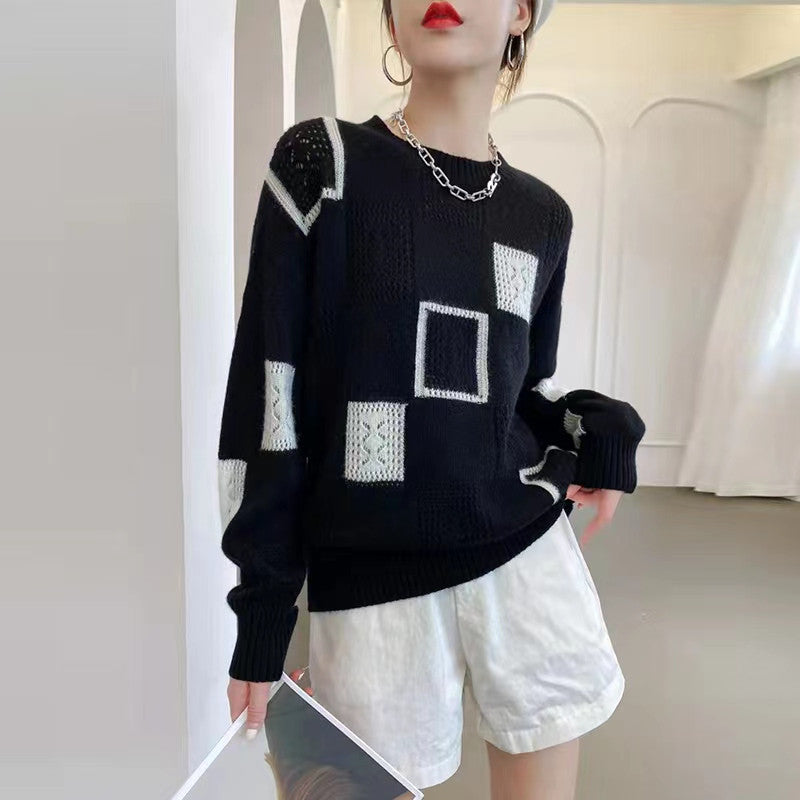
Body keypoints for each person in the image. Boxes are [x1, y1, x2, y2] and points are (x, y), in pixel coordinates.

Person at [218, 1, 646, 797]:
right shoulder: (324, 165)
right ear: (389, 20)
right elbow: (270, 395)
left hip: (525, 558)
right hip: (374, 577)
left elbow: (519, 389)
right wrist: (264, 609)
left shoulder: (543, 216)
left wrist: (599, 435)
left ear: (521, 12)